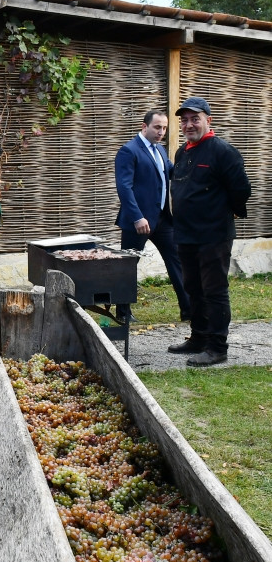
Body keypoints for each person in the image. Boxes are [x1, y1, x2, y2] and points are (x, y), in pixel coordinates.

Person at [167, 97, 250, 367]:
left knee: (214, 291)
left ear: (208, 120)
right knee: (193, 288)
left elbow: (241, 190)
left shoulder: (223, 151)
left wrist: (226, 213)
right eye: (185, 120)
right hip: (186, 235)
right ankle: (199, 337)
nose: (189, 124)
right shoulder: (182, 152)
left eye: (195, 119)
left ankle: (217, 347)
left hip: (213, 236)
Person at [114, 110, 189, 322]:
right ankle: (123, 312)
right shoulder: (129, 151)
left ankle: (189, 309)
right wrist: (137, 217)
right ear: (144, 126)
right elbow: (124, 187)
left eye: (164, 128)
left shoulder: (160, 150)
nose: (161, 132)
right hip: (138, 222)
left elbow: (169, 172)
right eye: (157, 127)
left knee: (177, 261)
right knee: (127, 267)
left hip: (163, 219)